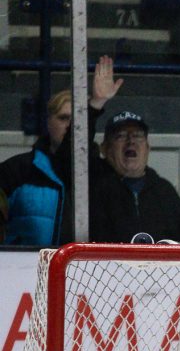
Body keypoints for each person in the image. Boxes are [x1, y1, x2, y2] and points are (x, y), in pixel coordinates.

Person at [1, 56, 121, 245]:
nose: (71, 126)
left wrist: (96, 105)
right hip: (24, 271)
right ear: (48, 122)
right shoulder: (16, 171)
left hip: (86, 272)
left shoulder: (103, 175)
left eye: (77, 120)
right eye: (64, 118)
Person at [88, 111, 180, 243]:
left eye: (138, 135)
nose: (131, 141)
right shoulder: (92, 188)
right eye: (121, 136)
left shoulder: (165, 192)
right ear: (105, 148)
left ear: (147, 148)